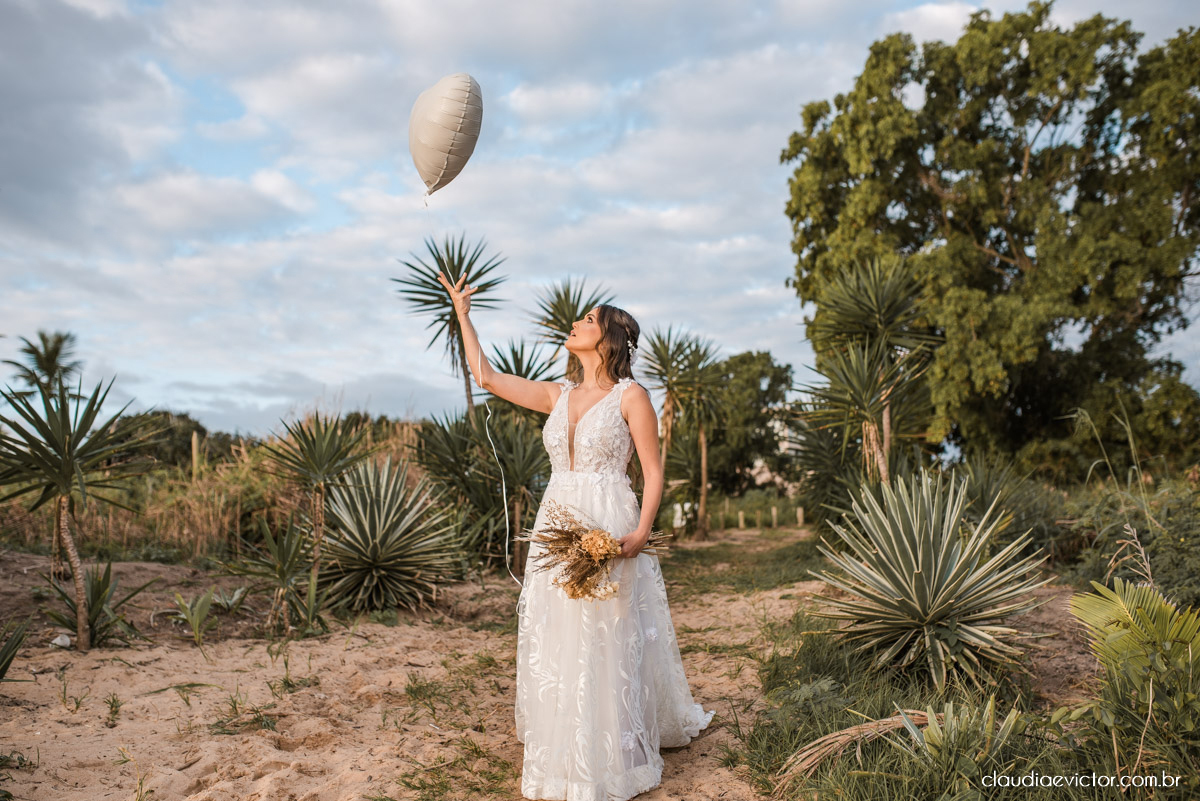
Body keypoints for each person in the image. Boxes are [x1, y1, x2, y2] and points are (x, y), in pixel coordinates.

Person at [436, 271, 715, 801]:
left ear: (608, 338)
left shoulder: (633, 397)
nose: (576, 322)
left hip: (610, 518)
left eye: (588, 319)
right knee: (558, 631)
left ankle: (615, 752)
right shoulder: (557, 394)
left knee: (608, 633)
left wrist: (639, 532)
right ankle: (566, 742)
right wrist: (464, 314)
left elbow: (653, 472)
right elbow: (488, 377)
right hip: (557, 521)